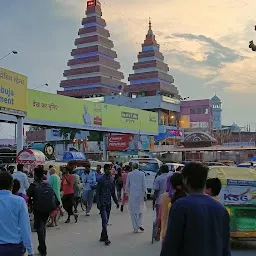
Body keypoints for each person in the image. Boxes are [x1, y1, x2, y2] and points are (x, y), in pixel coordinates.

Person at [161, 162, 231, 256]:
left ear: (185, 180)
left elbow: (171, 245)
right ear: (204, 181)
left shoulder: (181, 206)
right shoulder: (221, 209)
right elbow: (225, 248)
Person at [0, 172, 33, 256]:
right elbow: (25, 227)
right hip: (15, 248)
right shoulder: (19, 201)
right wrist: (30, 250)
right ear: (11, 185)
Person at [27, 166, 57, 256]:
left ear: (35, 175)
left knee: (40, 228)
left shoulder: (33, 185)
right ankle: (42, 246)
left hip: (38, 209)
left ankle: (43, 248)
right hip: (47, 209)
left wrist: (30, 205)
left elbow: (28, 196)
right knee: (42, 227)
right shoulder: (46, 184)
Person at [96, 164, 119, 245]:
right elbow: (97, 192)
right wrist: (98, 203)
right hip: (102, 203)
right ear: (104, 170)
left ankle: (102, 236)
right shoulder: (101, 179)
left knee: (106, 221)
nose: (109, 171)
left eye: (110, 169)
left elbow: (113, 192)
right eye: (108, 169)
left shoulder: (112, 179)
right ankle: (106, 238)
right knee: (104, 220)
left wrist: (116, 202)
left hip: (108, 203)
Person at [125, 162, 147, 233]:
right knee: (140, 211)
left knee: (133, 212)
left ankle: (135, 228)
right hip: (140, 195)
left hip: (132, 195)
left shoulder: (129, 174)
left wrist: (126, 192)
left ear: (132, 167)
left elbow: (127, 185)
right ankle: (140, 224)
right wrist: (145, 194)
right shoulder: (142, 174)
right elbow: (144, 185)